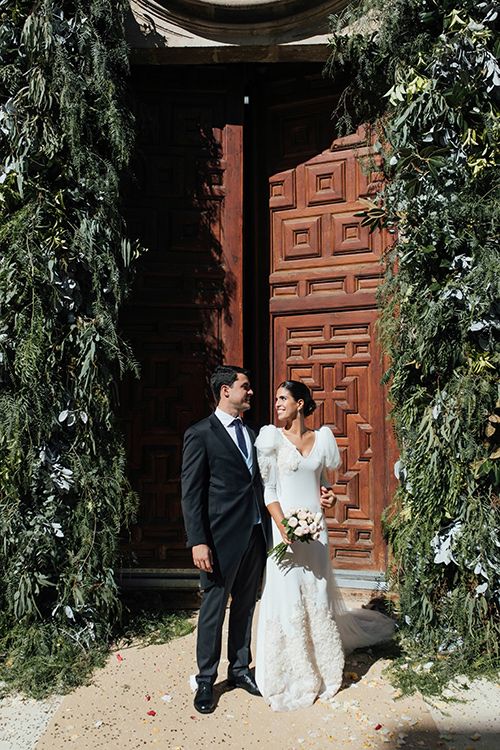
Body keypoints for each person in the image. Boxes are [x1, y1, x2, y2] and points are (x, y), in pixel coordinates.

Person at [254, 380, 395, 711]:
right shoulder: (271, 439)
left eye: (283, 399)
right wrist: (282, 525)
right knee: (287, 594)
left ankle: (324, 669)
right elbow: (269, 490)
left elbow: (323, 485)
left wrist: (329, 498)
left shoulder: (322, 440)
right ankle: (293, 671)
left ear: (300, 404)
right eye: (275, 399)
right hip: (286, 531)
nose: (277, 404)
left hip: (316, 530)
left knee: (316, 594)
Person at [181, 365, 270, 714]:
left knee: (246, 606)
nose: (250, 393)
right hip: (217, 540)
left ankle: (239, 670)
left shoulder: (253, 433)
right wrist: (197, 540)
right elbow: (191, 493)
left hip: (254, 533)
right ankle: (205, 679)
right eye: (244, 387)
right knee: (214, 610)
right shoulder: (200, 433)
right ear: (225, 391)